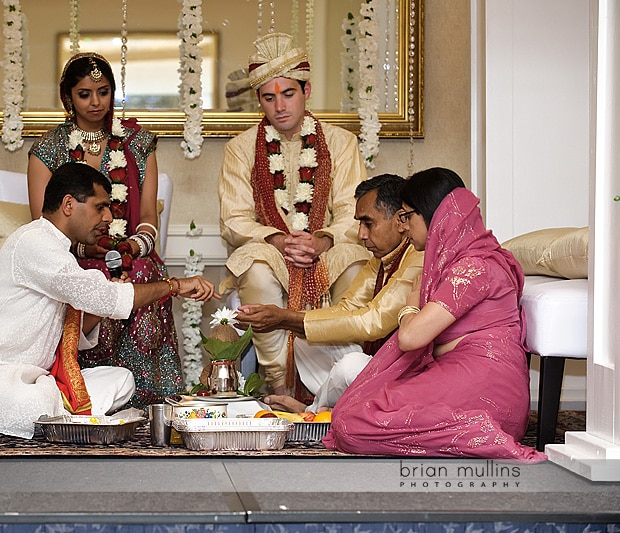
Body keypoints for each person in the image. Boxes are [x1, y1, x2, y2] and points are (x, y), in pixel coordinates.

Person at [0, 163, 219, 439]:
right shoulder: (35, 243)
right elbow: (107, 299)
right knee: (29, 405)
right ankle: (57, 415)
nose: (108, 217)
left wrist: (106, 305)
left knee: (120, 379)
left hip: (32, 377)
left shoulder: (58, 249)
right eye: (99, 207)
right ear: (69, 205)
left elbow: (73, 329)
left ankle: (60, 414)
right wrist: (174, 285)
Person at [323, 167, 546, 461]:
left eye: (406, 216)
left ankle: (478, 432)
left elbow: (412, 338)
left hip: (487, 387)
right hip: (465, 374)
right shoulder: (460, 259)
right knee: (352, 414)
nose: (403, 227)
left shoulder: (473, 266)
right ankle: (469, 428)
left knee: (352, 424)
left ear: (433, 214)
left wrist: (411, 306)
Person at [218, 33, 370, 397]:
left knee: (355, 266)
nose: (280, 106)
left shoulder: (341, 142)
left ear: (307, 91)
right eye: (269, 98)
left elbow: (353, 209)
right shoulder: (240, 150)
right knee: (255, 268)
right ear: (259, 101)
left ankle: (349, 384)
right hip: (271, 247)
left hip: (331, 245)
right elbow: (234, 218)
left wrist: (323, 239)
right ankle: (278, 387)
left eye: (288, 94)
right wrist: (278, 239)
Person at [27, 52, 180, 408]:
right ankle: (86, 385)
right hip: (71, 257)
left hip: (131, 252)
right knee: (91, 275)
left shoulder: (139, 144)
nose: (95, 102)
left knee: (139, 270)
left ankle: (148, 394)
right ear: (68, 97)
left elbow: (147, 215)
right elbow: (44, 226)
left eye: (104, 91)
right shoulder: (47, 149)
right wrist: (86, 251)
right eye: (84, 93)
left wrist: (134, 247)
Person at [235, 174, 423, 413]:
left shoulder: (418, 255)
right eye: (359, 224)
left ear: (400, 220)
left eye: (368, 223)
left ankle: (313, 412)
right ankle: (338, 409)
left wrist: (285, 318)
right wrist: (287, 320)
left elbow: (374, 321)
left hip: (410, 374)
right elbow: (347, 309)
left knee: (350, 367)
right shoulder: (382, 257)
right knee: (306, 340)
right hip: (380, 366)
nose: (362, 234)